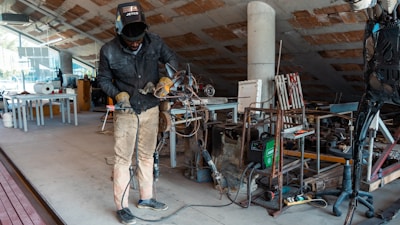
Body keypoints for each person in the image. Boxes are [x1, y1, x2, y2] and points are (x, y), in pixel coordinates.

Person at [97, 1, 178, 224]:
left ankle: (146, 198)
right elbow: (103, 79)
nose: (135, 43)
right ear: (119, 30)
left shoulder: (156, 42)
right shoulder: (108, 50)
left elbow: (172, 60)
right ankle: (121, 206)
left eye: (139, 38)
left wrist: (167, 79)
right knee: (123, 160)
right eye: (130, 40)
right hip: (126, 111)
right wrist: (118, 94)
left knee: (146, 156)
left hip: (151, 108)